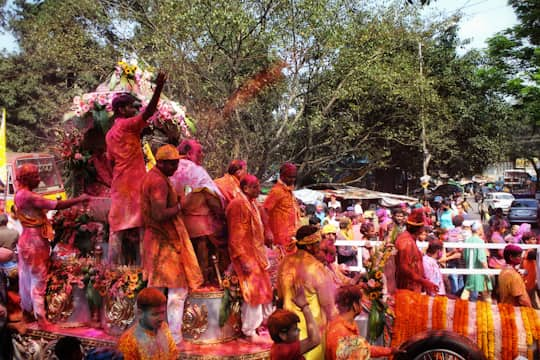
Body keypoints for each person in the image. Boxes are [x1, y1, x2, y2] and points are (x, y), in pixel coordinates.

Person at [140, 144, 203, 343]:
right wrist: (181, 205)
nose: (177, 167)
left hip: (157, 241)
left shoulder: (155, 176)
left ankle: (153, 335)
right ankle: (173, 338)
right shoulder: (158, 181)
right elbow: (159, 214)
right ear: (162, 163)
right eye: (174, 163)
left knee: (157, 290)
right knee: (177, 291)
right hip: (164, 242)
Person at [15, 163, 88, 327]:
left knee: (26, 278)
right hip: (34, 242)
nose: (39, 179)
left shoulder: (20, 194)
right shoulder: (28, 196)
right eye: (35, 176)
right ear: (27, 178)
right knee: (38, 278)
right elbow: (56, 205)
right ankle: (41, 319)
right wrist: (80, 199)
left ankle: (28, 313)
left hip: (26, 239)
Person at [105, 72, 167, 265]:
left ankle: (111, 272)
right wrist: (159, 87)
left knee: (116, 230)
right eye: (132, 107)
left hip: (118, 186)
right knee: (142, 229)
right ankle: (145, 270)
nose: (135, 110)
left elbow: (110, 162)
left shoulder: (109, 134)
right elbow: (149, 112)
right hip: (135, 185)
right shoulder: (128, 126)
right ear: (121, 110)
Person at [170, 139, 227, 285]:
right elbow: (213, 198)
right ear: (189, 154)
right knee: (203, 265)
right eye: (199, 152)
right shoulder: (195, 170)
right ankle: (204, 286)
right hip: (201, 228)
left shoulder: (168, 167)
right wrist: (222, 214)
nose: (202, 155)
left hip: (174, 224)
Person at [278, 225, 338, 360]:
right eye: (318, 242)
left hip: (289, 329)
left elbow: (281, 295)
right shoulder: (315, 267)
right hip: (312, 329)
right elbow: (327, 303)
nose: (321, 245)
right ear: (310, 246)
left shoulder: (285, 262)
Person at [226, 174, 274, 341]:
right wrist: (243, 259)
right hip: (246, 257)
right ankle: (249, 332)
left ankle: (260, 325)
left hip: (256, 256)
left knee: (262, 291)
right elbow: (234, 236)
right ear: (246, 188)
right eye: (255, 187)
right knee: (252, 292)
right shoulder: (238, 204)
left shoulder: (252, 204)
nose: (259, 190)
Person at [325, 285, 397, 360]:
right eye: (360, 302)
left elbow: (363, 349)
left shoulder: (346, 324)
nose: (361, 306)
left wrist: (390, 351)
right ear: (354, 305)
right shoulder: (341, 332)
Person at [118, 287, 178, 359]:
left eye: (163, 312)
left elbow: (173, 355)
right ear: (140, 313)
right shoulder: (128, 341)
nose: (161, 318)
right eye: (155, 314)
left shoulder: (164, 327)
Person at [268, 286, 320, 360]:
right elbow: (314, 340)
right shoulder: (282, 351)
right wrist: (305, 307)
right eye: (295, 330)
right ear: (283, 335)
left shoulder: (283, 345)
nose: (299, 331)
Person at [395, 208, 438, 294]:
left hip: (413, 286)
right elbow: (404, 267)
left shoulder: (410, 240)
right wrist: (423, 281)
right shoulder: (406, 242)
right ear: (420, 229)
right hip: (407, 288)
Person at [264, 163, 301, 251]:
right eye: (290, 177)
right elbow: (264, 211)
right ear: (282, 176)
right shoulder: (277, 191)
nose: (292, 180)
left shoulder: (289, 191)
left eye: (294, 177)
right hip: (280, 240)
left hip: (292, 237)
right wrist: (267, 231)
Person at [463, 222, 492, 302]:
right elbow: (481, 258)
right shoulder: (480, 241)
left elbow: (464, 256)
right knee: (484, 292)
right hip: (479, 271)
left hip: (470, 269)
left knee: (469, 289)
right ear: (479, 229)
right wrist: (487, 270)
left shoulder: (467, 241)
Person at [521, 232, 539, 308]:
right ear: (526, 241)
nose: (535, 241)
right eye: (533, 239)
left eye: (535, 239)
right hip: (529, 281)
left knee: (532, 301)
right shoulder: (529, 253)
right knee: (530, 301)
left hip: (533, 280)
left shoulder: (528, 252)